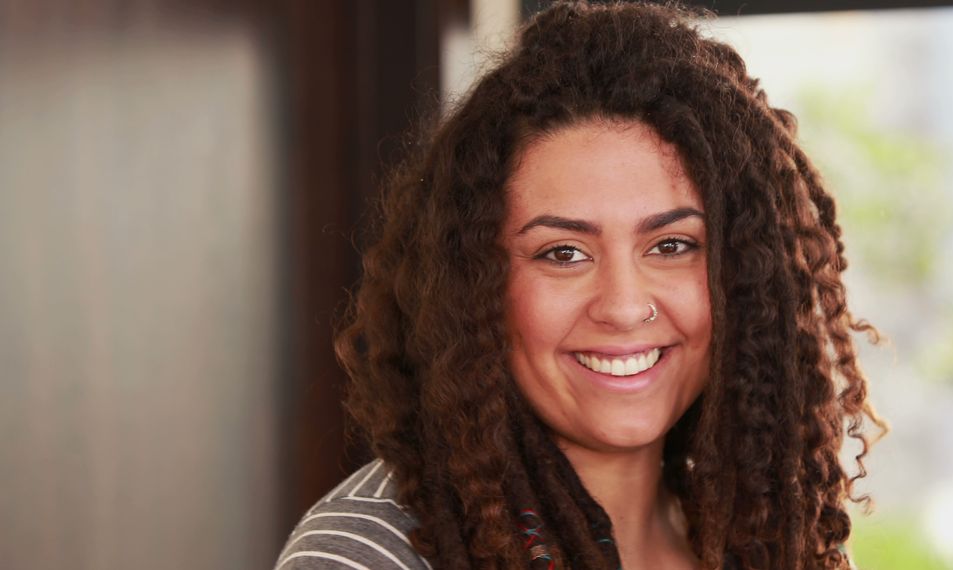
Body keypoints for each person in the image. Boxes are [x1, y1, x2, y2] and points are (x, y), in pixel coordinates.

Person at [275, 2, 885, 569]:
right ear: (472, 289)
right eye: (563, 253)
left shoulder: (761, 532)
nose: (623, 306)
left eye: (671, 246)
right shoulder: (364, 555)